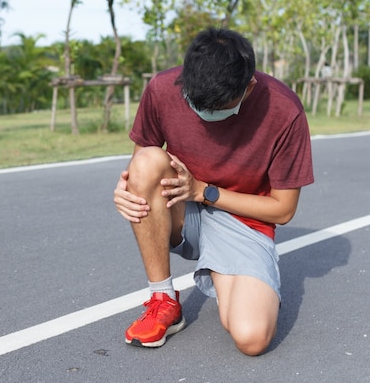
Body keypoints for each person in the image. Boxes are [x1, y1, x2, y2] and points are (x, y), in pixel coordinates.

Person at [113, 28, 314, 356]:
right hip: (181, 206)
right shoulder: (163, 88)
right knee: (148, 160)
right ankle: (163, 299)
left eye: (218, 107)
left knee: (252, 338)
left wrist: (205, 191)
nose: (205, 114)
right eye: (195, 104)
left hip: (243, 220)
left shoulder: (284, 110)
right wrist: (125, 190)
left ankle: (226, 268)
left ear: (248, 87)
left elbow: (283, 210)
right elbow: (140, 165)